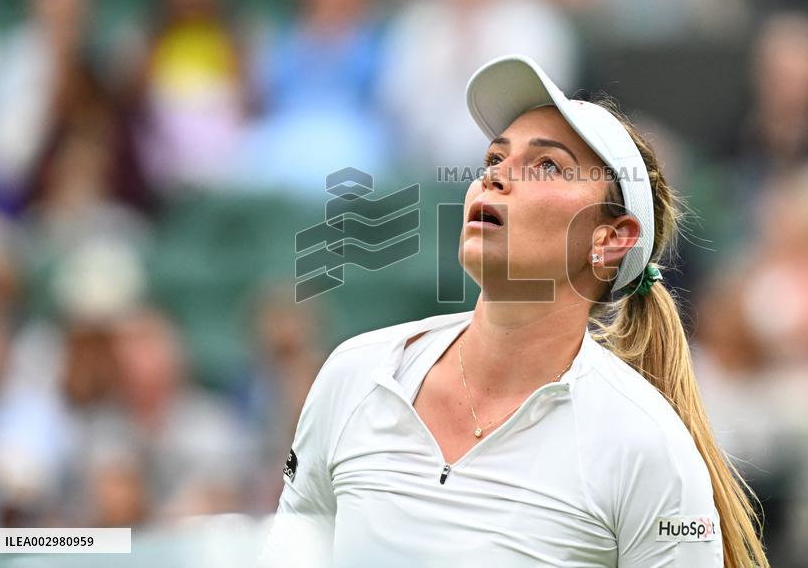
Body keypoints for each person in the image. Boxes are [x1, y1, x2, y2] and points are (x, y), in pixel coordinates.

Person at [260, 55, 767, 567]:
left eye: (547, 165)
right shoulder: (354, 373)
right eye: (493, 160)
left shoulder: (650, 447)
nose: (494, 179)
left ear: (611, 240)